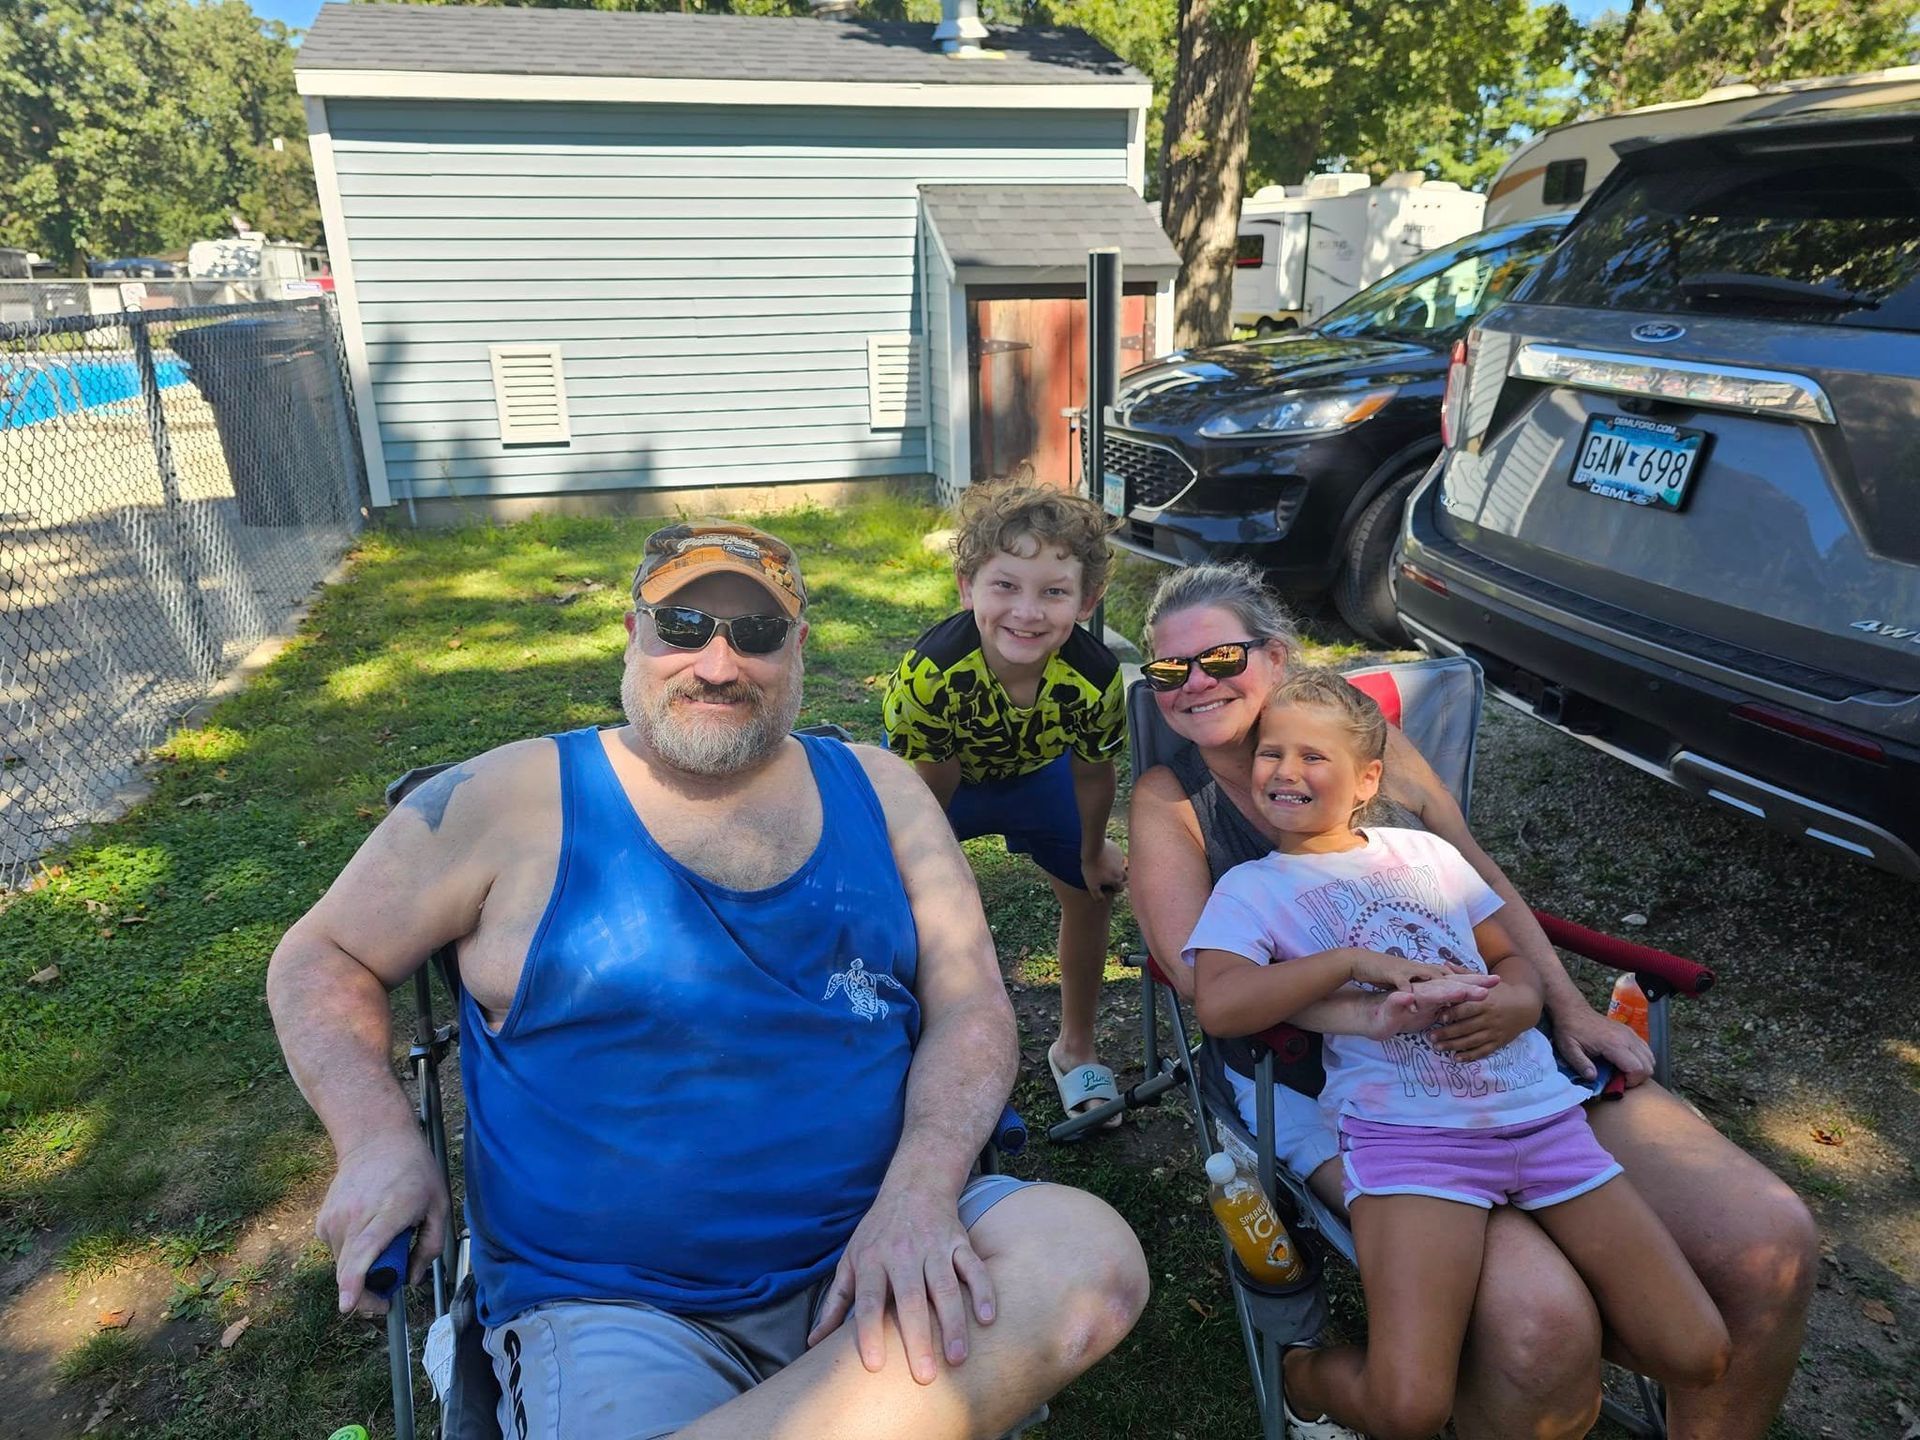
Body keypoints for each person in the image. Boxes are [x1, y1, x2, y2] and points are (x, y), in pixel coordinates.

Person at [267, 520, 1148, 1440]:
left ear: (799, 649)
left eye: (757, 634)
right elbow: (322, 957)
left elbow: (970, 1002)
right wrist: (375, 1141)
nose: (719, 664)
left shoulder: (882, 790)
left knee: (1089, 1259)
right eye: (683, 626)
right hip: (615, 1308)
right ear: (632, 632)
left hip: (888, 1247)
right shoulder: (512, 798)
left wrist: (920, 1196)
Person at [1128, 559, 1817, 1439]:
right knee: (1544, 1326)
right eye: (1167, 671)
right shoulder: (1171, 800)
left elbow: (1474, 876)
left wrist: (1554, 1005)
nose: (1192, 685)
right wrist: (1380, 1006)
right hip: (1328, 1087)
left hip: (1509, 1052)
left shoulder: (1369, 741)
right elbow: (1204, 986)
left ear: (1278, 654)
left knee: (1771, 1246)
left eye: (1219, 659)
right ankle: (1329, 1378)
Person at [1187, 667, 1730, 1439]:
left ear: (1368, 777)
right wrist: (1351, 963)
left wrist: (1523, 998)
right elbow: (1220, 1003)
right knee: (1407, 1410)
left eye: (1315, 757)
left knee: (1696, 1351)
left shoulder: (1424, 854)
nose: (1286, 772)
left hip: (1539, 1118)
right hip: (1411, 1144)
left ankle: (1498, 1355)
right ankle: (1305, 1374)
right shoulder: (1252, 887)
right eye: (1272, 753)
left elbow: (1509, 958)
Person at [882, 483, 1129, 1126]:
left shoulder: (1097, 676)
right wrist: (927, 868)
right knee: (906, 901)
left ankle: (1075, 1048)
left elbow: (1093, 769)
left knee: (1089, 889)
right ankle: (911, 1046)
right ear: (968, 588)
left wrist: (1093, 849)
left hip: (1037, 773)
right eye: (1005, 586)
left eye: (1054, 591)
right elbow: (931, 780)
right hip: (941, 780)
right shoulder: (929, 673)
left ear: (1087, 600)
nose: (1027, 611)